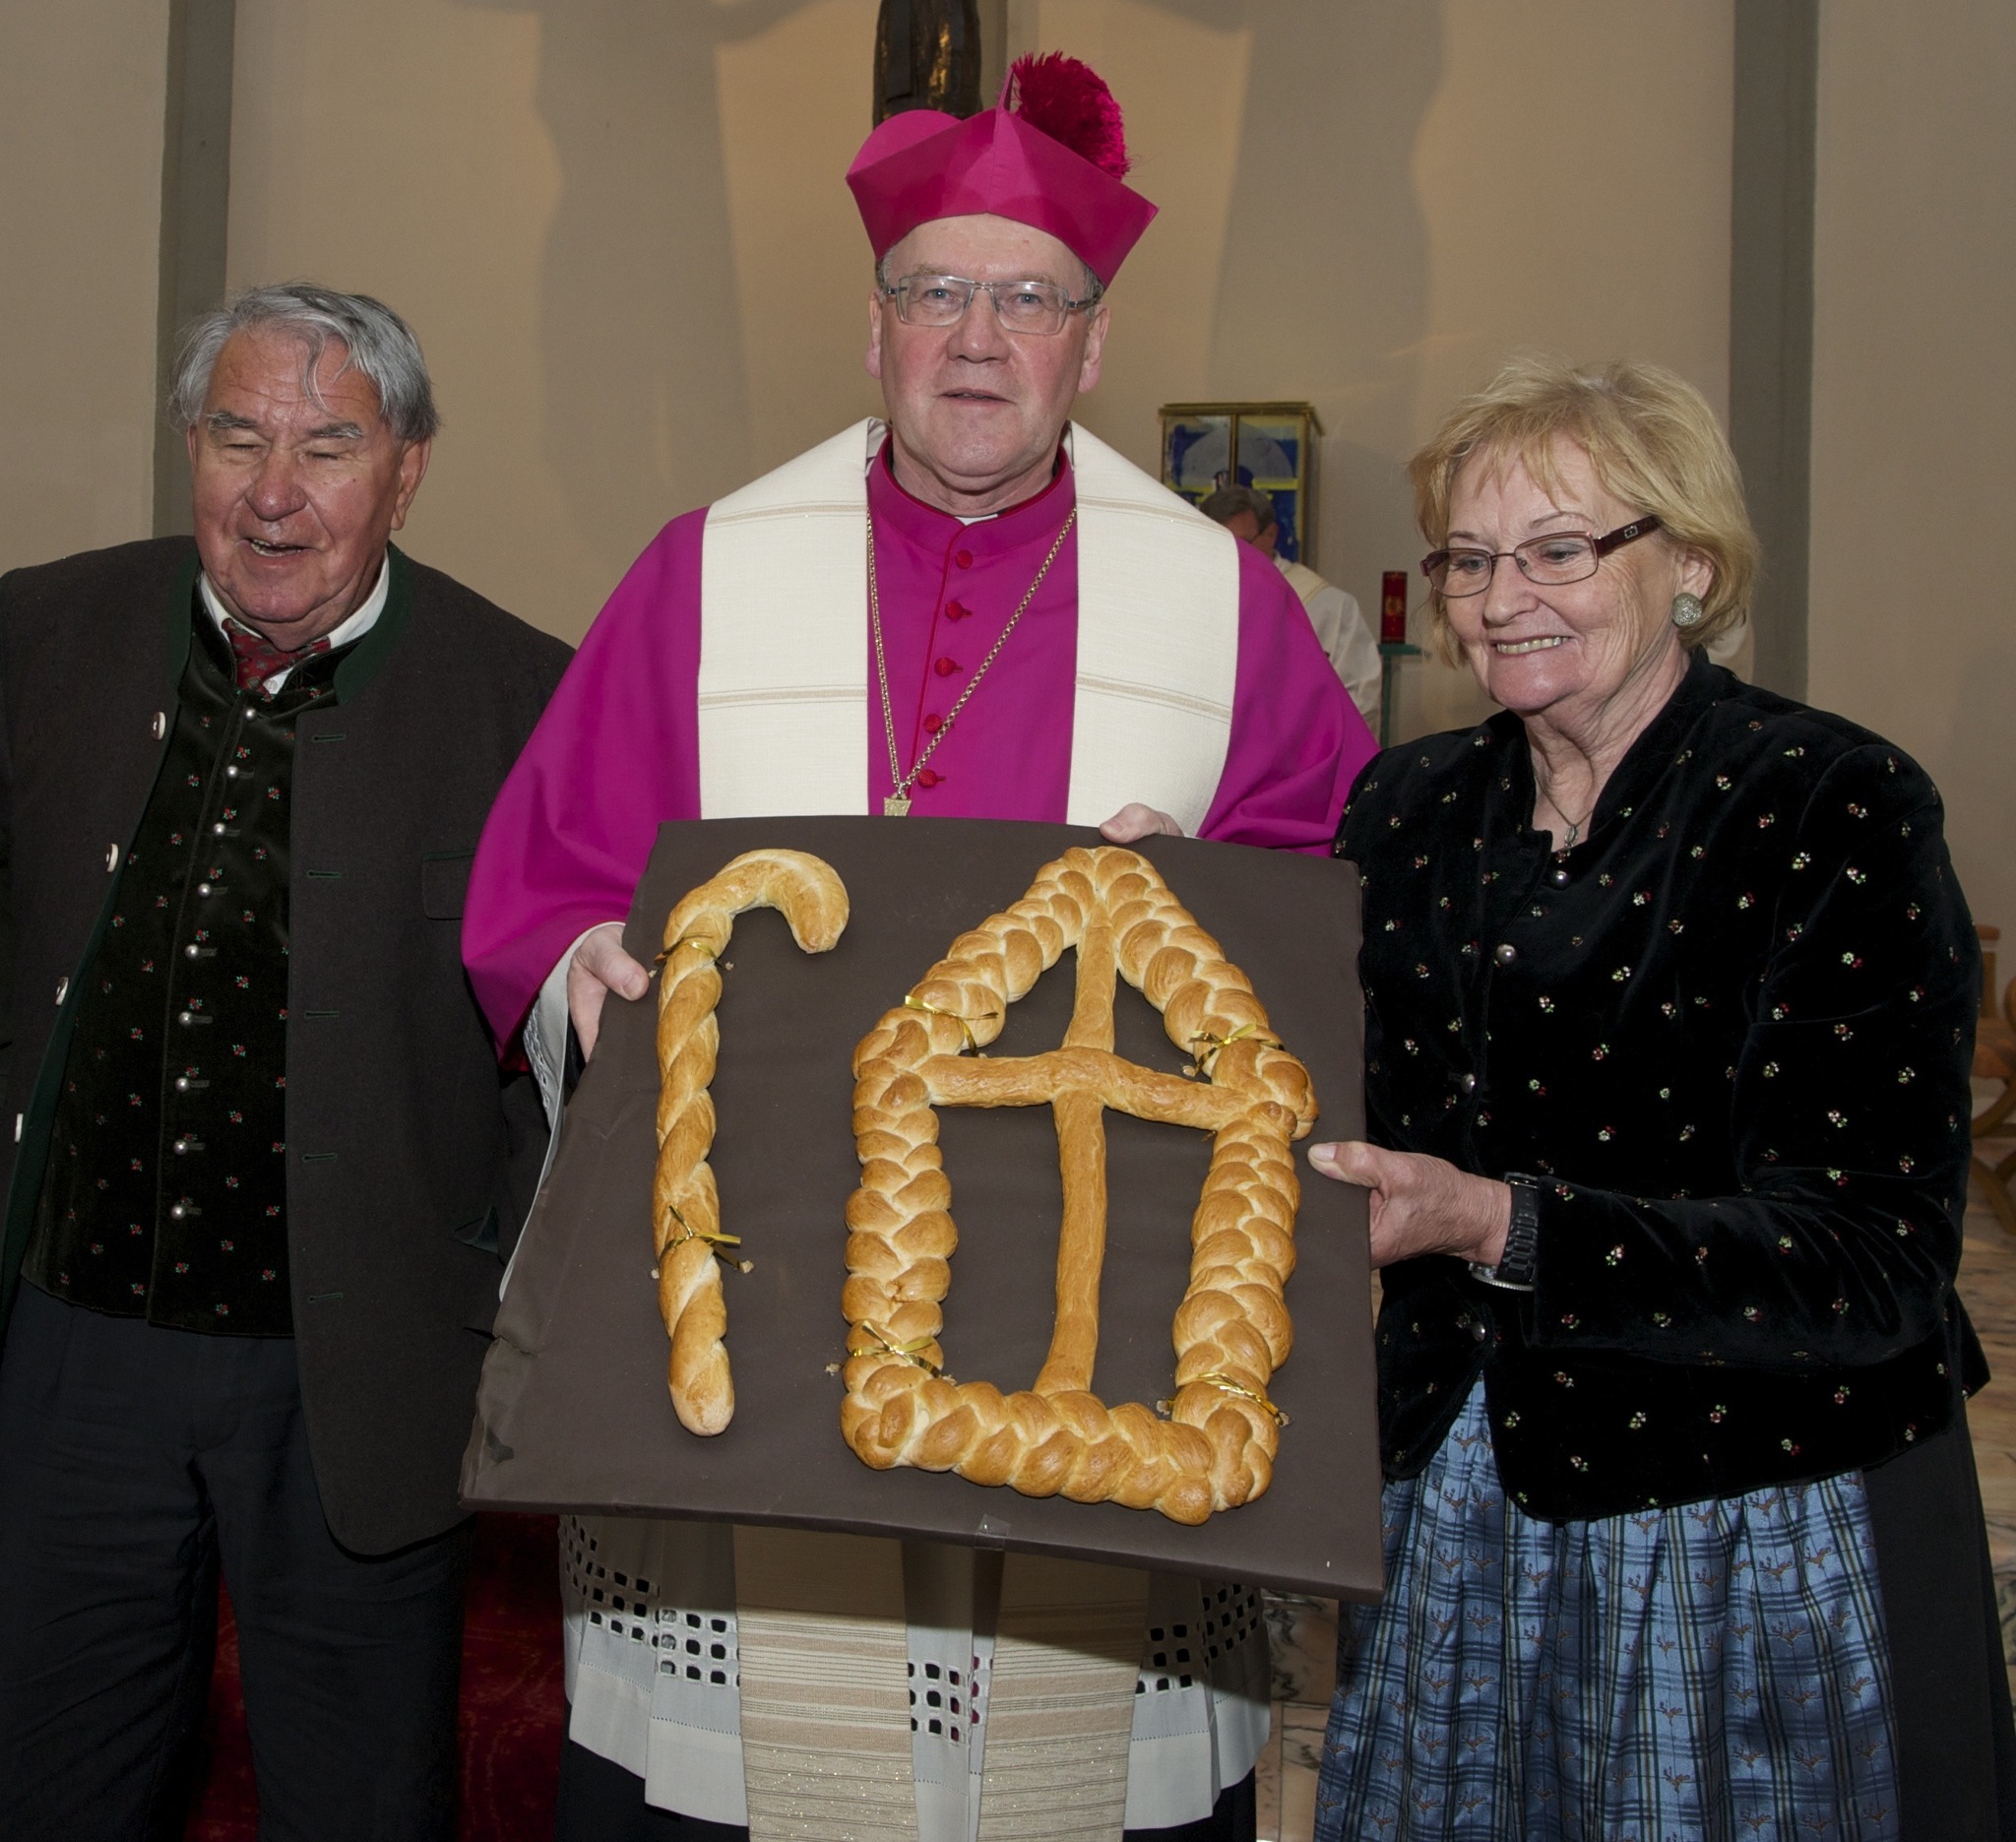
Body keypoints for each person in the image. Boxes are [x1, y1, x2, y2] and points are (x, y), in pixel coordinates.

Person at [463, 52, 1375, 1842]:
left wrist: (1212, 907)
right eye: (933, 292)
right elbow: (546, 886)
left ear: (1090, 344)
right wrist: (592, 980)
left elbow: (1331, 913)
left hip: (1086, 1339)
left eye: (1025, 299)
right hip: (762, 1344)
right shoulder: (703, 575)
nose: (977, 337)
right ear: (873, 327)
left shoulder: (1221, 604)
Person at [1307, 354, 2014, 1838]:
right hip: (1460, 1497)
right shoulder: (1410, 805)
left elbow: (1874, 1260)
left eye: (1563, 548)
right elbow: (1313, 1077)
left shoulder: (1833, 802)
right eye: (1471, 557)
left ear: (1690, 560)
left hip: (1743, 1508)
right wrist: (1158, 893)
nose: (1506, 598)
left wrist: (1500, 1221)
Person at [0, 284, 570, 1839]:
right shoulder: (37, 634)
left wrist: (486, 1295)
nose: (273, 490)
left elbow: (567, 1047)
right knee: (53, 1786)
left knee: (357, 1800)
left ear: (408, 468)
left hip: (360, 1381)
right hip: (71, 1358)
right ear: (188, 444)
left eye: (328, 445)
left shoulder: (524, 699)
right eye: (238, 435)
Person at [1200, 482, 1380, 726]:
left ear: (1271, 534)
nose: (1231, 554)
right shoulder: (1200, 597)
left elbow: (1360, 698)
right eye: (1218, 543)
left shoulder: (1326, 605)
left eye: (1242, 543)